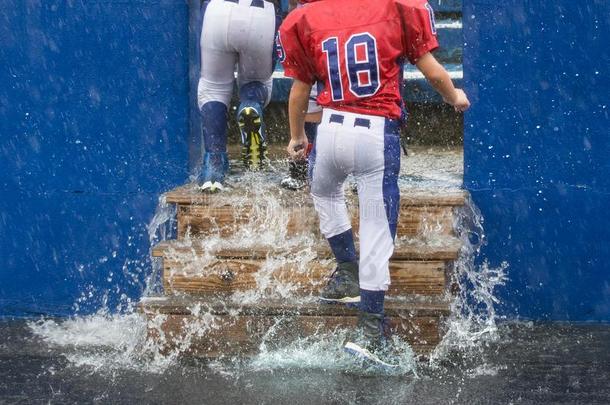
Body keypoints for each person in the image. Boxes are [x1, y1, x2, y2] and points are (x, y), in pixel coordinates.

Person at [278, 0, 470, 366]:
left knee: (324, 192)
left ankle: (346, 270)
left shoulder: (309, 16)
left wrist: (298, 136)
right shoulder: (397, 9)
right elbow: (431, 71)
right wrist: (454, 96)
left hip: (330, 129)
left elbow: (299, 91)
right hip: (375, 134)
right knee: (377, 230)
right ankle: (369, 327)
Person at [197, 0, 282, 192]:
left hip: (218, 12)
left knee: (213, 88)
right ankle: (251, 104)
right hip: (262, 13)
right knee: (258, 82)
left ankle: (214, 164)